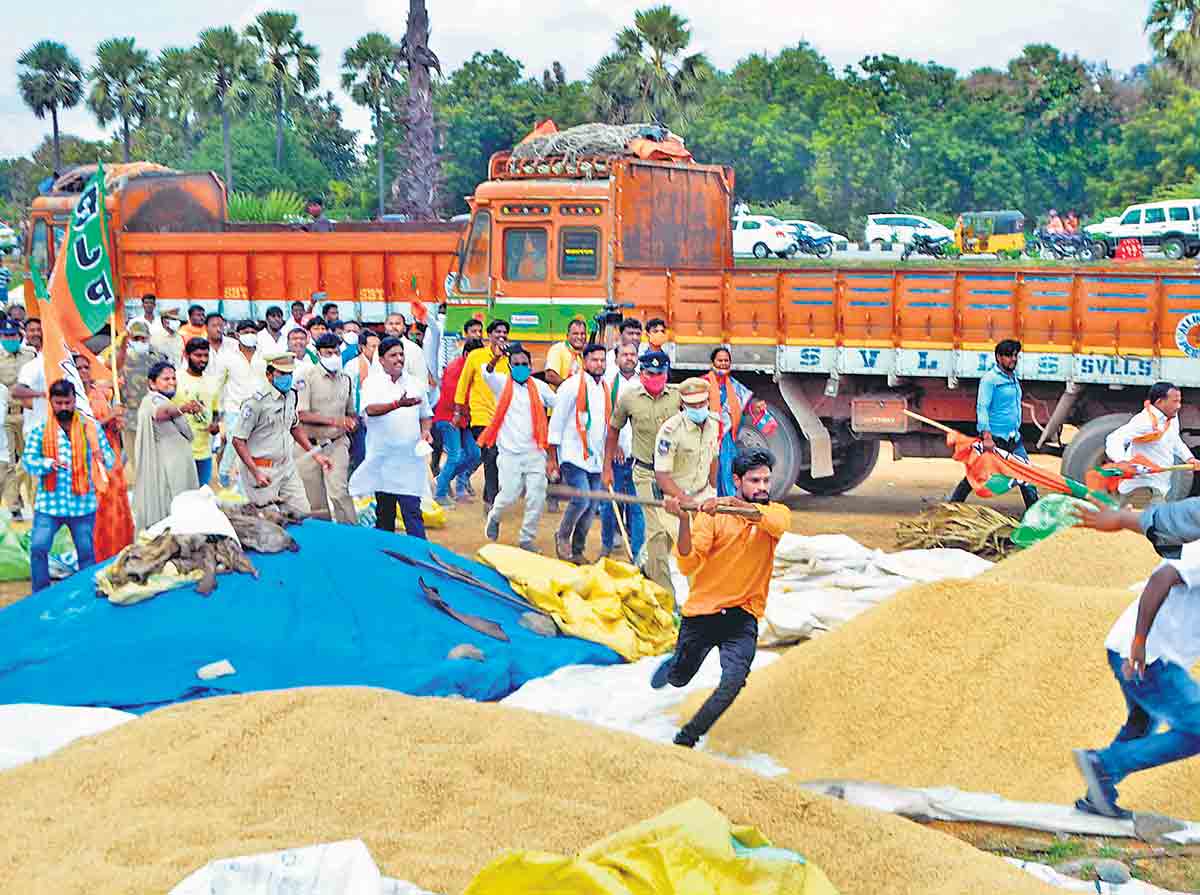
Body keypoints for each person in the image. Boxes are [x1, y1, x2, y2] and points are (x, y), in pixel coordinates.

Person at [651, 448, 791, 748]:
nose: (763, 487)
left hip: (743, 615)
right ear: (737, 479)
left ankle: (686, 739)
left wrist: (727, 503)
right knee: (679, 679)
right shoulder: (712, 518)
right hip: (703, 613)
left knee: (733, 682)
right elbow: (687, 563)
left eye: (766, 480)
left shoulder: (776, 513)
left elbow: (771, 522)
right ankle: (673, 664)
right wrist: (686, 519)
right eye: (755, 481)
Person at [1070, 553, 1200, 818]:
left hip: (1131, 651)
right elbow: (1161, 578)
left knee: (1142, 721)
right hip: (1148, 657)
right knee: (1197, 728)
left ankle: (1099, 794)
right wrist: (1139, 643)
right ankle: (1105, 765)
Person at [21, 379, 116, 592]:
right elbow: (28, 462)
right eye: (59, 403)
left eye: (68, 402)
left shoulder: (90, 430)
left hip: (82, 505)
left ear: (75, 401)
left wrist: (102, 456)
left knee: (86, 553)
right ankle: (41, 594)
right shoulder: (40, 431)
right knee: (38, 548)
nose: (64, 407)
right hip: (49, 505)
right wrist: (48, 464)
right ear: (51, 403)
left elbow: (109, 460)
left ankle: (86, 595)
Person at [606, 350, 682, 594]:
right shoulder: (628, 398)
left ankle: (643, 564)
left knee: (672, 531)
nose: (655, 377)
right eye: (650, 373)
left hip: (673, 475)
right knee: (657, 532)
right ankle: (666, 595)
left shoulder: (679, 396)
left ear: (666, 373)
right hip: (644, 474)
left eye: (660, 373)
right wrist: (607, 465)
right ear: (642, 373)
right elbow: (613, 430)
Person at [350, 337, 433, 538]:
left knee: (412, 512)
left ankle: (419, 557)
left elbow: (425, 415)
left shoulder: (415, 384)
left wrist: (425, 432)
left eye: (401, 354)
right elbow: (369, 410)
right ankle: (386, 560)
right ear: (381, 360)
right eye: (393, 355)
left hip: (409, 460)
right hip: (383, 460)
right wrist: (397, 404)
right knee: (385, 514)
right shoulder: (372, 383)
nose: (399, 359)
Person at [480, 341, 557, 551]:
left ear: (531, 367)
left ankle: (526, 538)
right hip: (509, 454)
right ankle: (495, 517)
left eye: (525, 363)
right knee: (509, 495)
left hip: (535, 452)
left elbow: (559, 403)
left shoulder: (539, 387)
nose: (521, 367)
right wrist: (496, 357)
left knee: (537, 496)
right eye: (517, 363)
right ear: (510, 366)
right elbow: (486, 373)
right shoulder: (501, 384)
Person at [231, 353, 328, 515]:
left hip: (286, 466)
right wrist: (255, 472)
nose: (287, 378)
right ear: (269, 375)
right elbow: (238, 440)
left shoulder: (291, 395)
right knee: (269, 520)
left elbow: (294, 426)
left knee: (302, 511)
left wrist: (315, 454)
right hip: (262, 469)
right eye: (282, 374)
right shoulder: (255, 403)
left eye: (290, 374)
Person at [651, 377, 721, 596]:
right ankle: (694, 598)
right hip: (675, 501)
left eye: (701, 404)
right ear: (683, 405)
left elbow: (713, 458)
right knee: (687, 553)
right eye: (692, 405)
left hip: (703, 496)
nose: (698, 409)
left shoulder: (714, 423)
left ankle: (703, 594)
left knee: (711, 551)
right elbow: (662, 474)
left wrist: (712, 489)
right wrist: (684, 498)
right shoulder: (670, 431)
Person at [949, 339, 1038, 510]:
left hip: (1014, 438)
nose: (1013, 359)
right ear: (998, 357)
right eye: (1008, 356)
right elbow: (982, 408)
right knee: (976, 474)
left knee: (1026, 475)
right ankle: (952, 506)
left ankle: (1034, 515)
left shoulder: (1013, 378)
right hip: (995, 439)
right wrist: (987, 437)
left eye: (1015, 356)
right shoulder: (990, 380)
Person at [548, 343, 609, 563]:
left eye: (603, 360)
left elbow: (605, 424)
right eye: (594, 360)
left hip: (596, 458)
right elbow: (556, 422)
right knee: (582, 498)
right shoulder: (571, 386)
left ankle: (577, 551)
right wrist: (552, 458)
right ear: (585, 361)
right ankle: (562, 535)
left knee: (592, 505)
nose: (599, 364)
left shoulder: (605, 388)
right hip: (572, 454)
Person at [1104, 382, 1200, 509]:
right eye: (1175, 402)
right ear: (1160, 402)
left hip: (1160, 485)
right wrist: (1122, 461)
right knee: (1152, 524)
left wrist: (1189, 458)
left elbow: (1174, 440)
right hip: (1142, 486)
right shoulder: (1144, 421)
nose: (1179, 406)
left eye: (1179, 401)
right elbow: (1114, 438)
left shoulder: (1172, 417)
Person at [75, 352, 133, 560]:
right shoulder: (71, 398)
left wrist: (116, 422)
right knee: (98, 506)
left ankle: (119, 548)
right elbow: (78, 429)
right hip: (88, 458)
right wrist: (109, 416)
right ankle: (97, 554)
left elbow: (109, 424)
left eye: (86, 367)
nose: (83, 371)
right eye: (79, 367)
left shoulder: (100, 393)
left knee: (116, 501)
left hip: (111, 454)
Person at [296, 334, 357, 523]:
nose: (333, 357)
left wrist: (351, 422)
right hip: (308, 445)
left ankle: (351, 534)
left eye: (336, 352)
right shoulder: (306, 377)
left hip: (336, 444)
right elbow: (301, 414)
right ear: (318, 354)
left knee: (339, 492)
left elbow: (350, 412)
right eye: (328, 353)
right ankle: (324, 539)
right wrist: (334, 421)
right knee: (315, 499)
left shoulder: (346, 379)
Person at [133, 361, 199, 530]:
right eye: (165, 379)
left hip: (177, 463)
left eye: (173, 378)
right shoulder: (154, 399)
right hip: (169, 467)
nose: (171, 382)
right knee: (174, 506)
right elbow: (161, 413)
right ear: (152, 383)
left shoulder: (163, 399)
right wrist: (182, 409)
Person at [455, 319, 510, 511]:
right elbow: (463, 384)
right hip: (481, 416)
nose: (501, 335)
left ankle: (494, 495)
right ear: (489, 335)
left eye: (504, 332)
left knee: (498, 458)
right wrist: (458, 411)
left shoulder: (509, 359)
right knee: (491, 454)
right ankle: (490, 501)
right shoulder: (476, 356)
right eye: (497, 332)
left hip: (504, 419)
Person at [600, 342, 645, 560]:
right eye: (624, 354)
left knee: (637, 508)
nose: (629, 358)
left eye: (632, 354)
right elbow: (603, 420)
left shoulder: (644, 384)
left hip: (639, 457)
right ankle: (606, 548)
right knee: (610, 505)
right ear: (616, 358)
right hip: (615, 455)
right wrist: (613, 445)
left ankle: (637, 554)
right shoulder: (607, 384)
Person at [432, 330, 484, 507]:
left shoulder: (471, 367)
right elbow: (455, 398)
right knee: (454, 456)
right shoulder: (455, 369)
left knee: (474, 454)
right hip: (450, 418)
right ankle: (440, 493)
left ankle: (443, 479)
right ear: (467, 354)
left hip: (464, 419)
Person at [218, 320, 268, 489]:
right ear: (238, 335)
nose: (250, 335)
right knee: (235, 442)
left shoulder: (264, 355)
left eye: (253, 331)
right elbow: (219, 383)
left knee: (251, 447)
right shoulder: (227, 357)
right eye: (246, 331)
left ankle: (242, 485)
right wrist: (217, 412)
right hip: (234, 407)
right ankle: (224, 472)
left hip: (259, 408)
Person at [705, 346, 756, 497]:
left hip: (727, 438)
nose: (723, 363)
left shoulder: (735, 387)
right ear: (712, 362)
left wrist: (756, 408)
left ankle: (729, 501)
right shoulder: (703, 383)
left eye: (726, 360)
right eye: (720, 360)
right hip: (708, 436)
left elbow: (744, 407)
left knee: (727, 470)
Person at [0, 318, 36, 518]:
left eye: (13, 335)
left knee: (30, 459)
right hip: (6, 416)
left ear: (18, 335)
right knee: (9, 463)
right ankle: (15, 507)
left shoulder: (29, 356)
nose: (9, 339)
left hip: (28, 415)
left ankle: (33, 501)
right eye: (5, 336)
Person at [174, 337, 221, 486]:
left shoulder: (213, 382)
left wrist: (215, 425)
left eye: (206, 355)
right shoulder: (175, 379)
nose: (203, 360)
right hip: (179, 450)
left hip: (204, 451)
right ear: (187, 356)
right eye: (198, 355)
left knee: (201, 493)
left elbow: (215, 411)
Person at [544, 318, 588, 388]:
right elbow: (550, 376)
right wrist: (570, 389)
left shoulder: (584, 353)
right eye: (575, 334)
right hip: (559, 396)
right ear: (567, 336)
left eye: (582, 334)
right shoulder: (558, 349)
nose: (579, 337)